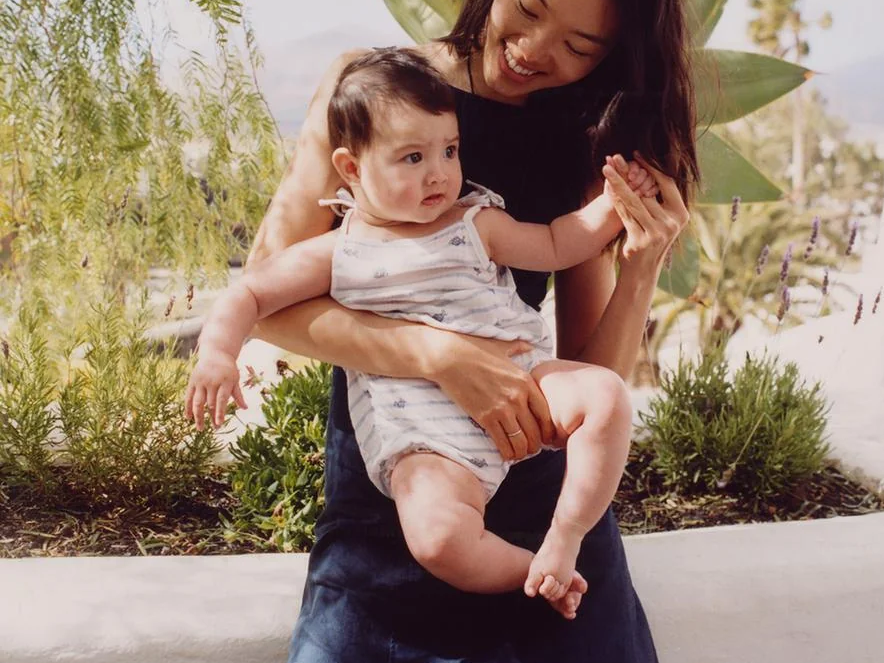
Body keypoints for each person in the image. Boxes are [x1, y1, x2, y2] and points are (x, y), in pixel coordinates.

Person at [210, 0, 698, 663]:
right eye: (529, 12)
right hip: (400, 500)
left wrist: (642, 262)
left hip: (541, 535)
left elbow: (589, 376)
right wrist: (436, 355)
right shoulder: (374, 92)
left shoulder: (578, 141)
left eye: (580, 48)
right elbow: (276, 296)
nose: (536, 55)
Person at [188, 47, 658, 618]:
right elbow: (251, 292)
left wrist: (614, 205)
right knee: (438, 538)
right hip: (424, 437)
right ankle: (532, 574)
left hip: (523, 383)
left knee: (606, 395)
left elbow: (560, 243)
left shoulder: (475, 222)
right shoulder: (341, 252)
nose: (438, 172)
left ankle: (566, 536)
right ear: (352, 169)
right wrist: (217, 352)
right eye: (412, 157)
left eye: (449, 151)